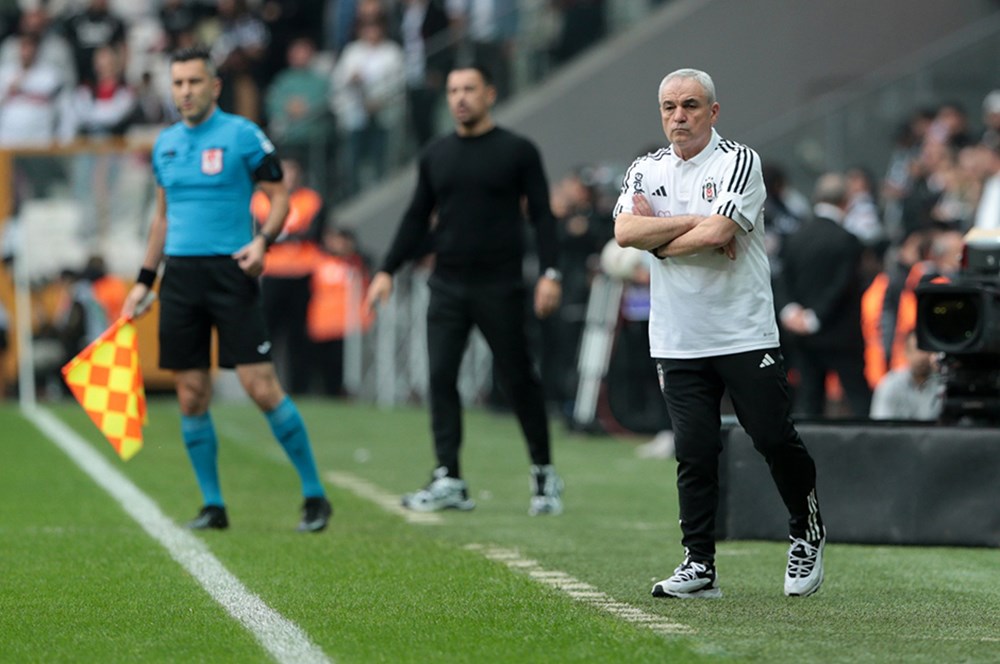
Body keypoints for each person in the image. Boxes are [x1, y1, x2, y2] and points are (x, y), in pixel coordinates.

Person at [613, 68, 825, 599]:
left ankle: (806, 530)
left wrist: (660, 239)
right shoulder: (645, 169)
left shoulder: (739, 160)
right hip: (677, 336)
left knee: (771, 437)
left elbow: (720, 230)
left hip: (742, 331)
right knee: (694, 449)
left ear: (713, 111)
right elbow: (624, 231)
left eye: (689, 105)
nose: (678, 116)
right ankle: (699, 563)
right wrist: (694, 225)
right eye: (669, 107)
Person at [121, 46, 331, 533]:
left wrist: (262, 242)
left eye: (194, 82)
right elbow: (161, 219)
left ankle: (315, 495)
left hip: (231, 274)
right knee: (192, 393)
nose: (185, 91)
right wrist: (143, 281)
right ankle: (213, 506)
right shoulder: (165, 144)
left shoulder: (242, 136)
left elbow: (279, 198)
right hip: (180, 279)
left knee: (261, 387)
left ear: (214, 86)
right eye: (178, 83)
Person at [364, 62, 564, 516]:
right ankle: (449, 477)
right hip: (448, 285)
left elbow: (543, 216)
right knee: (440, 378)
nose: (460, 97)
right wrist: (387, 269)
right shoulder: (436, 154)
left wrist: (550, 273)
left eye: (469, 89)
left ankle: (544, 472)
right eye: (453, 90)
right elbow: (417, 216)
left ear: (489, 93)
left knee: (518, 379)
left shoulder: (517, 150)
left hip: (500, 285)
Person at [777, 172, 872, 419]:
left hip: (802, 337)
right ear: (846, 201)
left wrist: (791, 312)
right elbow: (842, 286)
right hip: (842, 337)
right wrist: (815, 317)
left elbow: (781, 279)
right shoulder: (848, 240)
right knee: (859, 401)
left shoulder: (794, 237)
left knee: (809, 404)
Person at [870, 331, 943, 421]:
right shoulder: (890, 385)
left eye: (925, 351)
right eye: (915, 350)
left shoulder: (943, 384)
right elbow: (880, 424)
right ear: (905, 352)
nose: (920, 357)